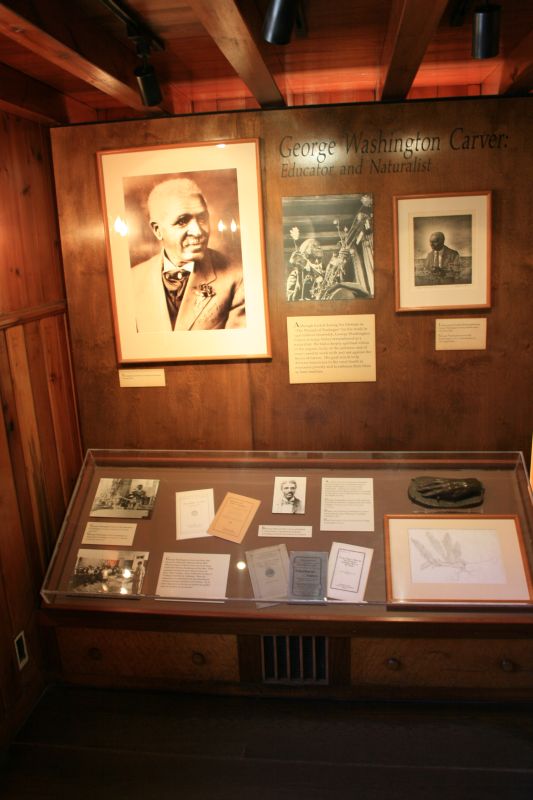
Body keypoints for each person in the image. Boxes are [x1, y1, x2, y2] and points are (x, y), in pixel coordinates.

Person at [131, 177, 245, 331]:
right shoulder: (132, 279)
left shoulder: (237, 278)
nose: (198, 231)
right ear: (157, 230)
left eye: (202, 218)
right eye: (182, 221)